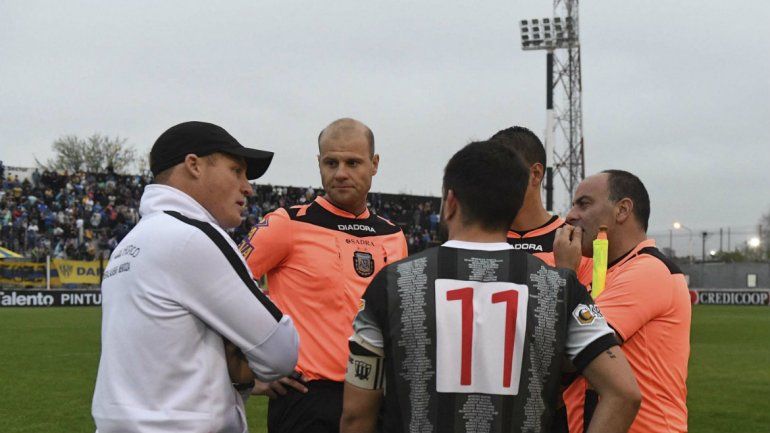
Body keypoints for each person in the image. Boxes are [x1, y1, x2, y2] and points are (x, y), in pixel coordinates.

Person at [340, 140, 641, 433]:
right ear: (511, 207)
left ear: (451, 203)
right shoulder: (561, 287)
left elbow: (356, 416)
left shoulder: (391, 283)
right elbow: (624, 394)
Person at [92, 121, 299, 433]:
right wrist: (242, 369)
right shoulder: (191, 236)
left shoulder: (130, 243)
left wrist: (232, 373)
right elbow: (281, 351)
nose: (248, 186)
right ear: (194, 165)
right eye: (236, 170)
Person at [241, 118, 408, 433]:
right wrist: (253, 367)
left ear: (374, 164)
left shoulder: (393, 235)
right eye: (331, 162)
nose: (341, 172)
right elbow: (222, 289)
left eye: (353, 162)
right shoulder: (285, 224)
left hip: (378, 395)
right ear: (319, 164)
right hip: (308, 398)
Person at [557, 170, 691, 433]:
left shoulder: (649, 271)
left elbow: (567, 357)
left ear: (622, 210)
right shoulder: (599, 269)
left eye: (583, 204)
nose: (571, 215)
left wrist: (564, 277)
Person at [490, 126, 592, 286]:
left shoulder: (573, 241)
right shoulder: (480, 237)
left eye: (500, 171)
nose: (491, 181)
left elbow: (588, 307)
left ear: (535, 174)